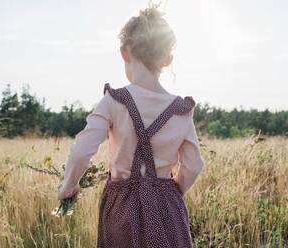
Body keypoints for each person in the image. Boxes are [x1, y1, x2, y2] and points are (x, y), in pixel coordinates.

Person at [58, 4, 205, 248]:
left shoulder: (113, 101)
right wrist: (172, 191)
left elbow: (82, 150)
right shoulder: (181, 111)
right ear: (167, 59)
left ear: (125, 53)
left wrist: (69, 185)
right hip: (167, 205)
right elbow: (194, 165)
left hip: (121, 207)